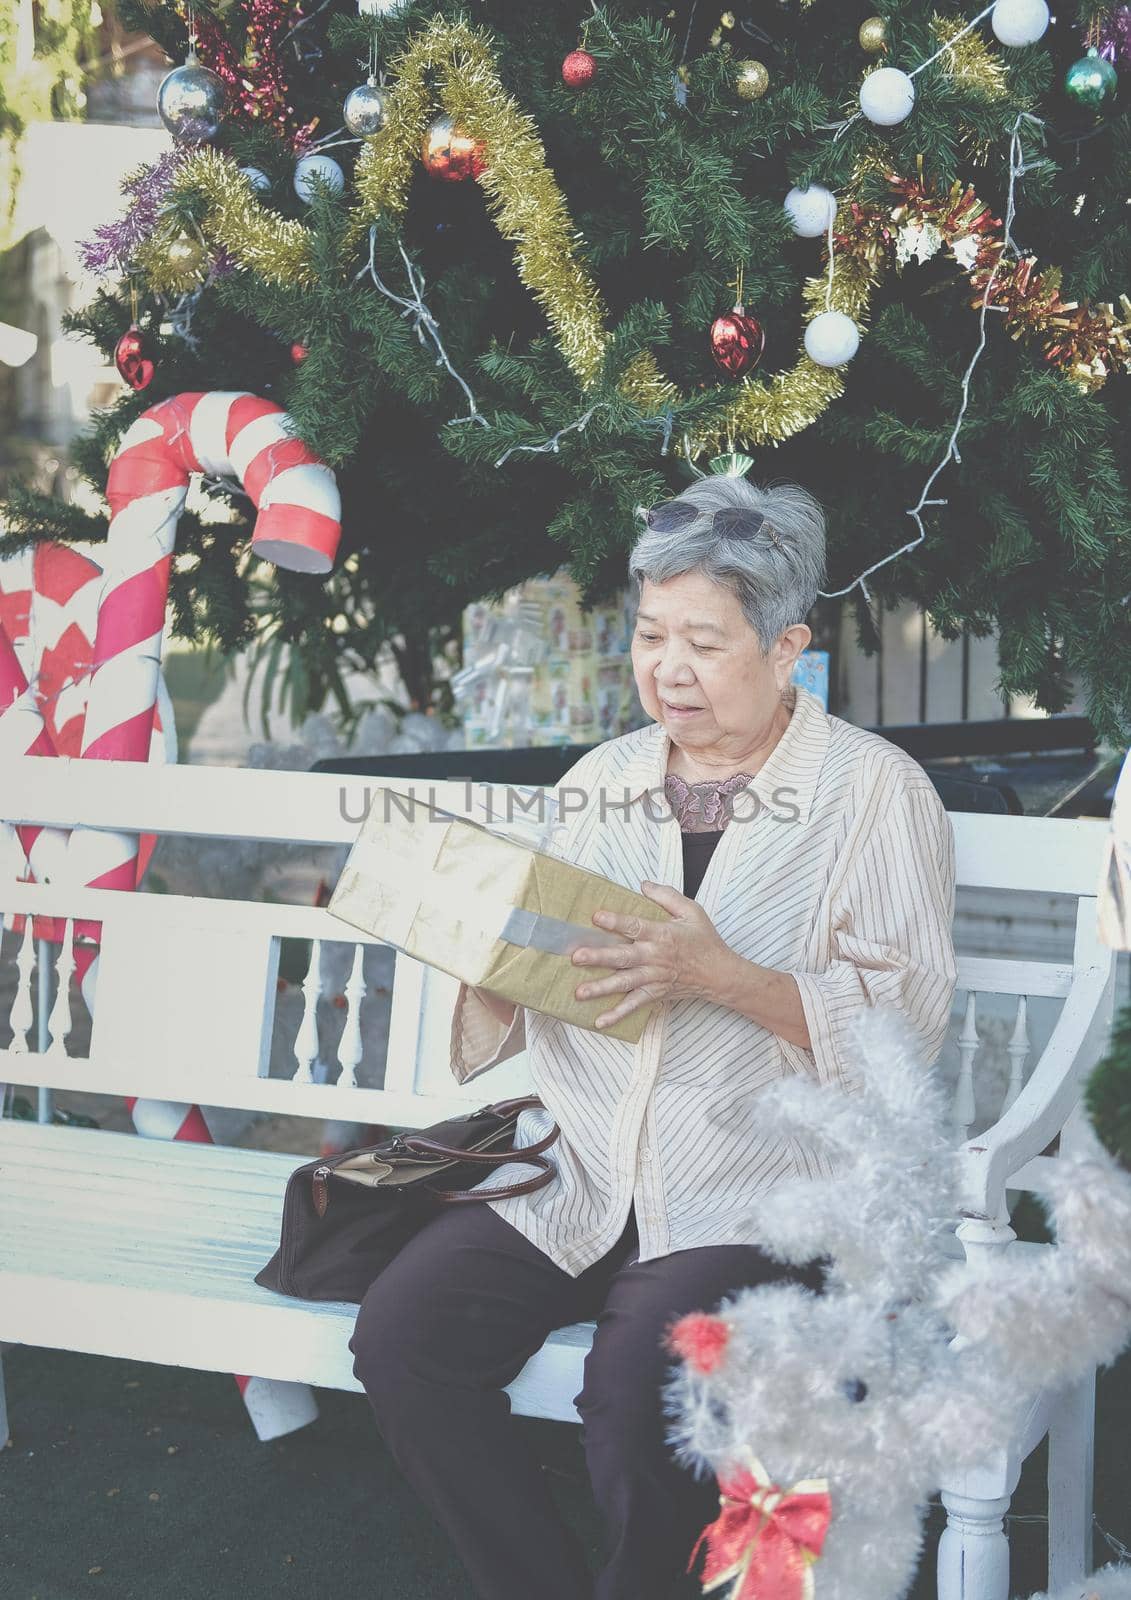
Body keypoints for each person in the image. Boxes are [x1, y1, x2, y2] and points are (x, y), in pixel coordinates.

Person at [349, 474, 958, 1599]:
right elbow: (537, 976)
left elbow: (906, 1026)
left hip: (761, 1186)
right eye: (649, 635)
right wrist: (486, 952)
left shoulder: (876, 793)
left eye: (703, 642)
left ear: (786, 649)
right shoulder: (602, 782)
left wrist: (719, 974)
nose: (666, 668)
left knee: (644, 1395)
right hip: (582, 1166)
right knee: (403, 1340)